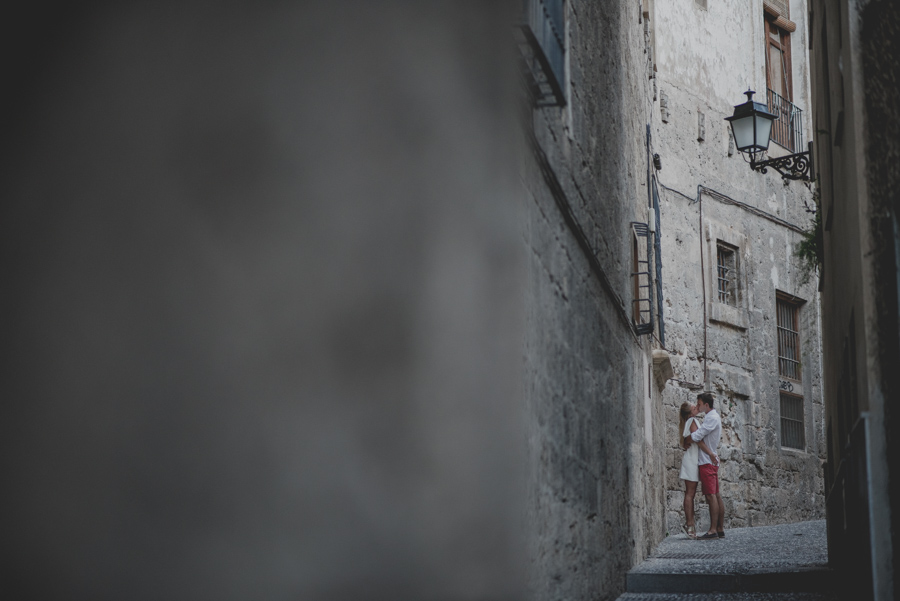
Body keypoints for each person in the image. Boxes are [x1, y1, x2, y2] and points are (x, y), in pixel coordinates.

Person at [678, 401, 716, 539]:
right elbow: (698, 440)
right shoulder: (693, 420)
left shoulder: (691, 421)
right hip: (691, 461)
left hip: (693, 460)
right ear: (690, 413)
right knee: (690, 493)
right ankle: (690, 526)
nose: (696, 407)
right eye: (694, 407)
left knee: (690, 494)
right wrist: (710, 453)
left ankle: (690, 525)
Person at [691, 392, 723, 540]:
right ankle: (719, 528)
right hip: (710, 460)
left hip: (706, 461)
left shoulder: (711, 418)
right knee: (715, 494)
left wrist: (692, 420)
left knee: (711, 496)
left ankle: (712, 530)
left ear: (706, 405)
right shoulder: (712, 417)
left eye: (699, 404)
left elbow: (696, 436)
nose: (697, 406)